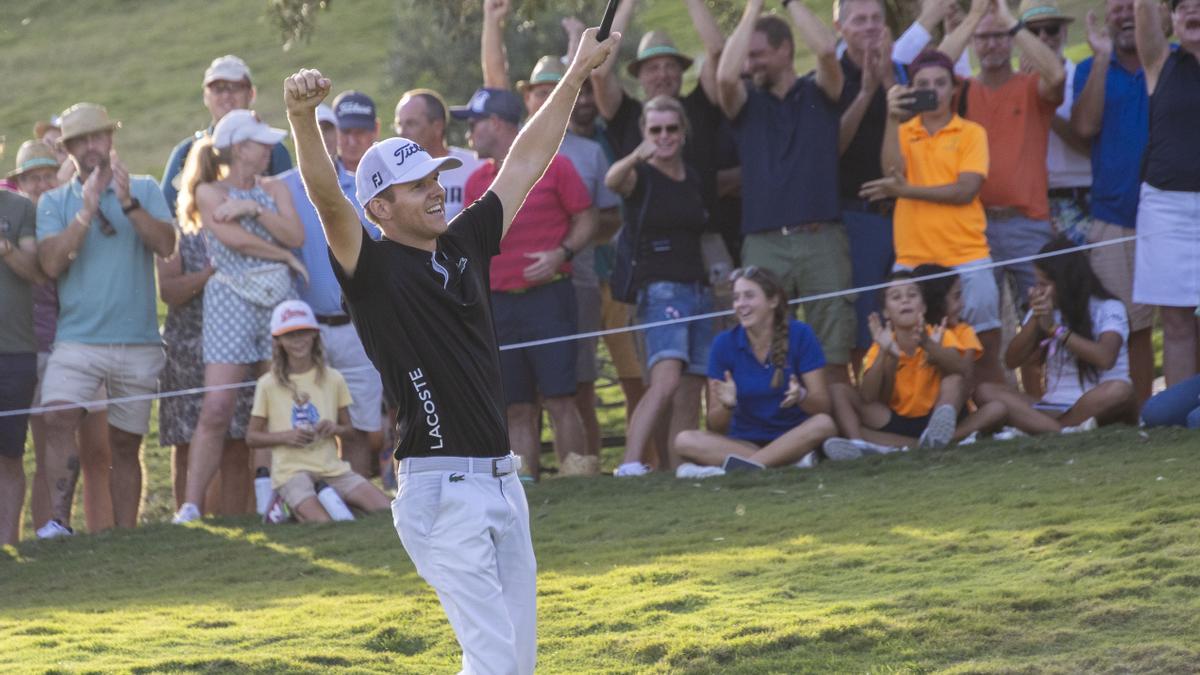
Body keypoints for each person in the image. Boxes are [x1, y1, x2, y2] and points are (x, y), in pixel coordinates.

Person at [283, 23, 618, 673]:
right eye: (417, 186)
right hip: (440, 490)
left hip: (502, 481)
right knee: (496, 663)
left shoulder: (464, 242)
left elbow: (525, 160)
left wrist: (576, 74)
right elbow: (327, 196)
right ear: (380, 208)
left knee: (512, 662)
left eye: (435, 176)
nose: (437, 188)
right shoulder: (372, 270)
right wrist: (301, 117)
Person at [36, 103, 176, 536]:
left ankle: (125, 535)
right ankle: (59, 522)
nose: (93, 146)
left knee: (125, 443)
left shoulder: (145, 188)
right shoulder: (54, 201)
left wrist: (129, 204)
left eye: (100, 136)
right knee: (58, 415)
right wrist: (86, 211)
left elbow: (166, 245)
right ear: (68, 149)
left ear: (111, 139)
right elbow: (51, 264)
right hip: (77, 341)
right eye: (82, 140)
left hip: (137, 340)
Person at [173, 110, 307, 525]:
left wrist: (252, 208)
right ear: (238, 148)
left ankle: (271, 500)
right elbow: (233, 240)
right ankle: (191, 506)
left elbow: (295, 234)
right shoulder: (209, 191)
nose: (269, 149)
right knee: (218, 405)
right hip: (230, 299)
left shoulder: (274, 188)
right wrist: (282, 255)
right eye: (260, 142)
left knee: (277, 399)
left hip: (276, 297)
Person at [457, 86, 596, 481]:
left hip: (550, 298)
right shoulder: (476, 181)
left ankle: (578, 478)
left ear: (496, 123)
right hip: (499, 305)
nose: (468, 134)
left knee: (560, 397)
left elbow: (587, 218)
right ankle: (523, 485)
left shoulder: (556, 167)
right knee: (516, 404)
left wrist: (561, 254)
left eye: (474, 124)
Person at [718, 0, 855, 384]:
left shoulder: (820, 92)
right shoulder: (746, 103)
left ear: (785, 50)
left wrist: (790, 3)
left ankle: (831, 418)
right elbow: (725, 77)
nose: (750, 65)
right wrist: (752, 9)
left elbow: (826, 50)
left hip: (822, 238)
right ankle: (781, 420)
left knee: (833, 351)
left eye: (758, 54)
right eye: (748, 56)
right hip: (764, 243)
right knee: (765, 348)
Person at [860, 50, 1004, 385]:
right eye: (923, 84)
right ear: (911, 90)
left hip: (967, 254)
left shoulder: (971, 132)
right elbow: (892, 172)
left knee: (984, 348)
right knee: (915, 353)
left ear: (954, 88)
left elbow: (965, 191)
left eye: (940, 83)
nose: (933, 90)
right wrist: (891, 118)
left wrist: (907, 191)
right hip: (914, 258)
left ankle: (994, 410)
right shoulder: (903, 130)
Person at [940, 0, 1066, 356]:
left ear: (1011, 38)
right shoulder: (960, 90)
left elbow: (1057, 75)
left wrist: (1010, 19)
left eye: (999, 36)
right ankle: (992, 390)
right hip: (974, 226)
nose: (991, 44)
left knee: (1044, 322)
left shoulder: (1031, 87)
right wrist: (972, 20)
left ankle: (1046, 388)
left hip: (1027, 222)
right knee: (978, 327)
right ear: (972, 42)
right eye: (983, 38)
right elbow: (932, 66)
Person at [606, 96, 715, 477]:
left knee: (692, 384)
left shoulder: (693, 176)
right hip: (659, 290)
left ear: (683, 132)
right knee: (665, 380)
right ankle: (629, 464)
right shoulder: (640, 176)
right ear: (644, 133)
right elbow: (612, 181)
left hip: (699, 288)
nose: (665, 136)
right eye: (656, 130)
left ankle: (681, 465)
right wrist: (638, 154)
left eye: (672, 128)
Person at [11, 140, 114, 537]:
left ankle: (104, 531)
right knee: (47, 449)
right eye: (31, 178)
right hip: (37, 347)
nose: (40, 184)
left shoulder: (67, 214)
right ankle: (47, 530)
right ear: (20, 184)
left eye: (46, 176)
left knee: (98, 450)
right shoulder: (19, 224)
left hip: (83, 342)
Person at [279, 104, 386, 480]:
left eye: (327, 128)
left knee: (360, 426)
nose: (322, 136)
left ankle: (357, 497)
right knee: (308, 422)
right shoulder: (281, 188)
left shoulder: (363, 186)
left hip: (357, 326)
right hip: (306, 330)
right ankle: (320, 500)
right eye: (314, 127)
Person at [1071, 0, 1157, 405]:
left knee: (1187, 319)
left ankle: (1184, 408)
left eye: (1133, 7)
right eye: (1117, 9)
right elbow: (1085, 126)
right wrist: (1102, 58)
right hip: (1114, 214)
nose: (1125, 16)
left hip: (1177, 210)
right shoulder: (1091, 68)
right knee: (1132, 325)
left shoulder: (1177, 61)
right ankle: (1145, 416)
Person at [824, 271, 1007, 459]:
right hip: (897, 419)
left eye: (912, 295)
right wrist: (884, 353)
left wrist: (929, 345)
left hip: (939, 415)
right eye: (896, 297)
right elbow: (869, 397)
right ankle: (860, 444)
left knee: (994, 407)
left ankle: (925, 440)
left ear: (924, 306)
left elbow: (962, 370)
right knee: (838, 390)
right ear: (886, 312)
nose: (905, 301)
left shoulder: (938, 333)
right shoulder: (882, 343)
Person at [673, 267, 837, 477]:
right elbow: (716, 425)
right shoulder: (723, 344)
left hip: (793, 436)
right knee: (684, 440)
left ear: (773, 301)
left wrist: (802, 396)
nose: (740, 304)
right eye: (736, 298)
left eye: (749, 296)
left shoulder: (801, 334)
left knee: (824, 424)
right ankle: (787, 462)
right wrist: (727, 405)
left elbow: (823, 406)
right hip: (743, 442)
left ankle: (746, 466)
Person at [246, 300, 390, 522]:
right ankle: (285, 503)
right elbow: (252, 437)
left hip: (333, 469)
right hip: (291, 473)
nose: (298, 340)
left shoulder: (334, 378)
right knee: (323, 521)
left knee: (386, 510)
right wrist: (287, 436)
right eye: (290, 335)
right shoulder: (267, 384)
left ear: (315, 334)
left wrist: (334, 429)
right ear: (278, 340)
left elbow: (350, 431)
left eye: (303, 333)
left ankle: (329, 499)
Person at [976, 236, 1134, 432]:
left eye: (1043, 284)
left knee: (1120, 389)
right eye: (1036, 283)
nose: (1036, 290)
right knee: (985, 391)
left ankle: (1051, 429)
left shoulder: (1109, 307)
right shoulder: (1043, 310)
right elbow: (1011, 361)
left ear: (1066, 283)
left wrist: (1055, 330)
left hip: (1099, 401)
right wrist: (1035, 320)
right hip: (1054, 407)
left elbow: (1105, 358)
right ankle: (1062, 429)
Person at [835, 0, 908, 375]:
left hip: (908, 212)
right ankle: (868, 396)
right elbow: (831, 149)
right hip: (857, 217)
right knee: (866, 320)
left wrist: (887, 80)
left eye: (876, 19)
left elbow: (916, 137)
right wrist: (865, 92)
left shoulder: (903, 71)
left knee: (912, 310)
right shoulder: (830, 79)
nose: (869, 26)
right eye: (859, 19)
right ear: (840, 28)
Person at [1132, 0, 1200, 387]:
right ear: (1172, 18)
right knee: (1175, 320)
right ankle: (1179, 409)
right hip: (1166, 207)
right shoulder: (1160, 61)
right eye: (1182, 7)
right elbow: (1142, 10)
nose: (1192, 12)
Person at [161, 55, 292, 214]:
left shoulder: (273, 150)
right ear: (205, 96)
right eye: (218, 89)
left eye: (235, 87)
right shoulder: (185, 151)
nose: (226, 96)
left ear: (251, 94)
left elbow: (291, 208)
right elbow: (166, 213)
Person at [0, 156, 43, 546]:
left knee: (10, 455)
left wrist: (6, 249)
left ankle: (8, 543)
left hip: (14, 352)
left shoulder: (19, 207)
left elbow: (35, 271)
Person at [393, 89, 484, 219]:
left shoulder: (475, 166)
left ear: (437, 126)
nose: (401, 132)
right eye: (399, 124)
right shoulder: (394, 175)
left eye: (411, 123)